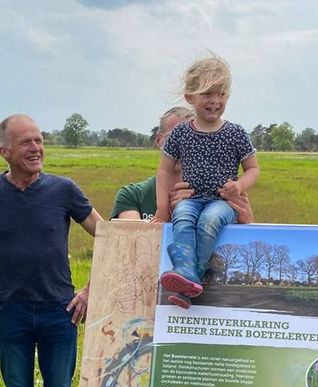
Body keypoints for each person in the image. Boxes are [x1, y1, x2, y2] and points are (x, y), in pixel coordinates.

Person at [0, 114, 102, 387]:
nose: (36, 148)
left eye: (39, 140)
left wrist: (91, 290)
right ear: (4, 151)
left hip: (59, 312)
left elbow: (109, 237)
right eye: (26, 142)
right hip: (10, 311)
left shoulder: (64, 190)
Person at [154, 56, 259, 308]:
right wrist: (162, 209)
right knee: (182, 220)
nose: (215, 101)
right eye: (208, 93)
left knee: (209, 222)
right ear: (190, 97)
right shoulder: (180, 133)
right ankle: (185, 277)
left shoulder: (235, 133)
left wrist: (240, 186)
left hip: (222, 202)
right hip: (191, 199)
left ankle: (189, 276)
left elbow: (253, 169)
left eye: (222, 94)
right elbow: (165, 171)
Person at [111, 106, 254, 225]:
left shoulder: (221, 194)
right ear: (159, 140)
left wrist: (245, 222)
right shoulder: (132, 196)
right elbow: (131, 241)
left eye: (195, 141)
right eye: (172, 139)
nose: (181, 147)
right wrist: (171, 214)